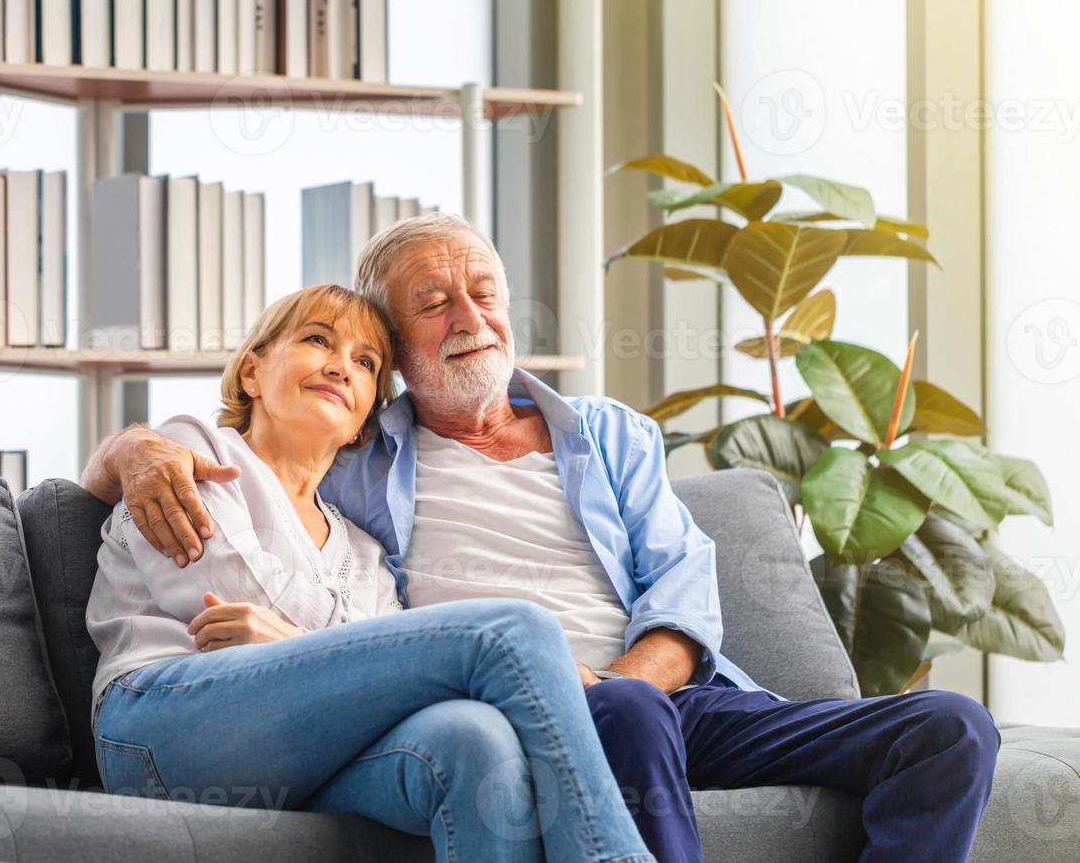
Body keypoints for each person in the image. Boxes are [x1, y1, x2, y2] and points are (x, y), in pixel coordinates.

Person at [82, 216, 1002, 863]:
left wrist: (630, 680)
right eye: (433, 303)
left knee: (950, 727)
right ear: (402, 349)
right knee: (603, 705)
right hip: (541, 705)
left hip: (668, 694)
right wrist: (132, 446)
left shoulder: (609, 435)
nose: (469, 318)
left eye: (483, 293)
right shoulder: (356, 454)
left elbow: (683, 585)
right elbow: (196, 499)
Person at [85, 283, 653, 863]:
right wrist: (321, 647)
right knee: (517, 632)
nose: (341, 367)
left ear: (363, 421)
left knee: (473, 741)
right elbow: (224, 589)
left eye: (366, 363)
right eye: (316, 340)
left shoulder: (363, 549)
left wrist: (296, 644)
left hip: (303, 752)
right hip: (161, 726)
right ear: (252, 373)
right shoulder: (192, 451)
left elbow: (376, 678)